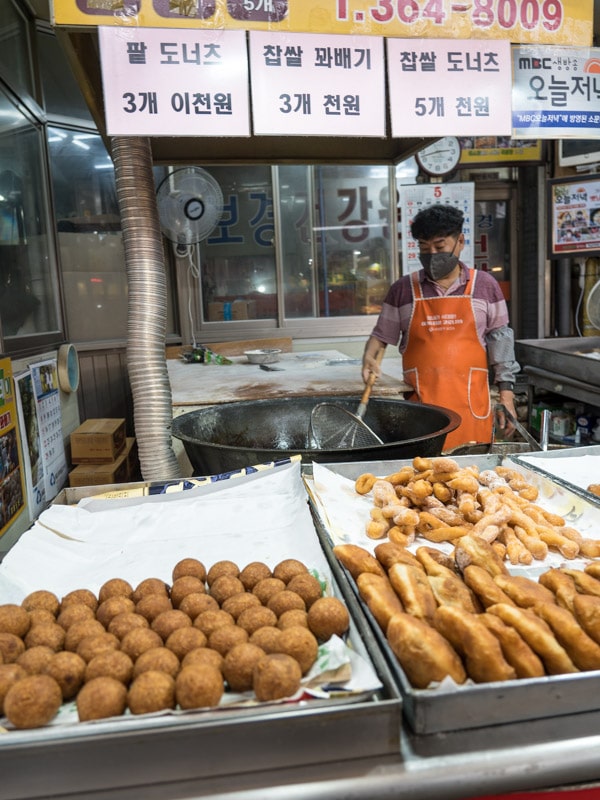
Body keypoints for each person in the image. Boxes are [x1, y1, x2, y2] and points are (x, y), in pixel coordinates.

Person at [362, 204, 519, 450]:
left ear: (460, 242)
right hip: (421, 410)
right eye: (424, 248)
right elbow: (381, 337)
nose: (432, 254)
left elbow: (501, 341)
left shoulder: (485, 285)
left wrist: (506, 396)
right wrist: (369, 358)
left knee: (472, 479)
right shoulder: (403, 289)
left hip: (471, 408)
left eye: (439, 246)